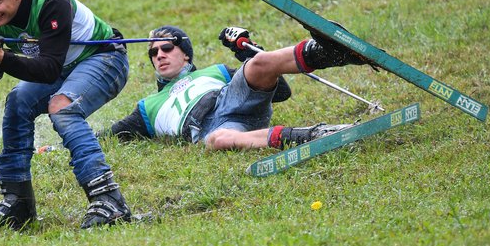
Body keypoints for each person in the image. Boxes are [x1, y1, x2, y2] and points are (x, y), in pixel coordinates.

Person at [0, 0, 131, 230]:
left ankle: (108, 200)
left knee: (62, 107)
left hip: (104, 58)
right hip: (61, 68)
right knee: (17, 101)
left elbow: (48, 70)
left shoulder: (51, 1)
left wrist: (1, 57)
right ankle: (18, 203)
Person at [105, 25, 367, 149]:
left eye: (166, 48)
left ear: (185, 53)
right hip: (210, 128)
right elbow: (107, 138)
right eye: (153, 53)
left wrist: (245, 51)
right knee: (219, 141)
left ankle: (333, 53)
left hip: (230, 98)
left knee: (260, 63)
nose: (159, 55)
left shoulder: (214, 72)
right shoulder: (146, 108)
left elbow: (281, 93)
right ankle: (315, 135)